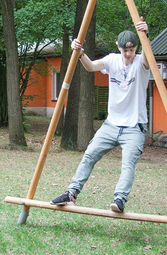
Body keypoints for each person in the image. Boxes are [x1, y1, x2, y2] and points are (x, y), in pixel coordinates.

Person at [50, 20, 150, 213]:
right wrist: (79, 52)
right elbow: (90, 66)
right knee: (89, 155)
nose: (128, 54)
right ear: (118, 48)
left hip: (134, 126)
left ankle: (119, 199)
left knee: (127, 163)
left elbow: (147, 57)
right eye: (125, 50)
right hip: (111, 124)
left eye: (132, 50)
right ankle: (71, 193)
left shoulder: (141, 62)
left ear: (136, 48)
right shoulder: (112, 60)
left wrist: (145, 35)